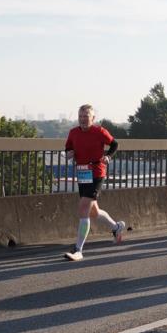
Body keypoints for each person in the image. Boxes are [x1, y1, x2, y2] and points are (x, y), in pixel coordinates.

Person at [62, 104, 127, 261]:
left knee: (84, 207)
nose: (83, 119)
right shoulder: (73, 132)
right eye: (81, 116)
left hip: (97, 172)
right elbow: (68, 147)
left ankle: (78, 250)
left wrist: (108, 156)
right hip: (83, 173)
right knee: (94, 212)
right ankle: (116, 227)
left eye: (86, 116)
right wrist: (69, 153)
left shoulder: (99, 131)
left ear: (93, 118)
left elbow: (114, 144)